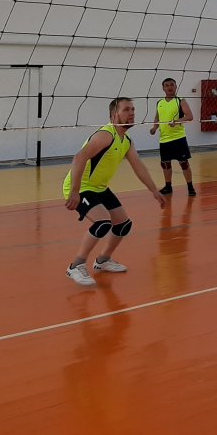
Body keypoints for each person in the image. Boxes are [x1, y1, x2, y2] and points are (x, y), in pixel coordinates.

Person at [64, 97, 165, 286]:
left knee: (123, 225)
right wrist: (75, 191)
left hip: (99, 187)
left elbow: (138, 167)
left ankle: (102, 260)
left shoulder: (126, 141)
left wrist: (154, 190)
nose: (131, 113)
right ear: (113, 115)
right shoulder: (105, 135)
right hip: (81, 186)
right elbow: (79, 158)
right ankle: (75, 266)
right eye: (126, 110)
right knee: (103, 222)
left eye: (133, 109)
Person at [150, 77, 196, 196]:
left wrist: (177, 121)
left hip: (178, 138)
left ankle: (190, 187)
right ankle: (168, 187)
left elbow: (190, 116)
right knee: (165, 164)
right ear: (163, 88)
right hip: (164, 139)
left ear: (175, 87)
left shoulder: (180, 100)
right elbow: (157, 117)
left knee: (183, 163)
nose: (169, 87)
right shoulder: (159, 103)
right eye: (167, 85)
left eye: (171, 85)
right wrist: (154, 128)